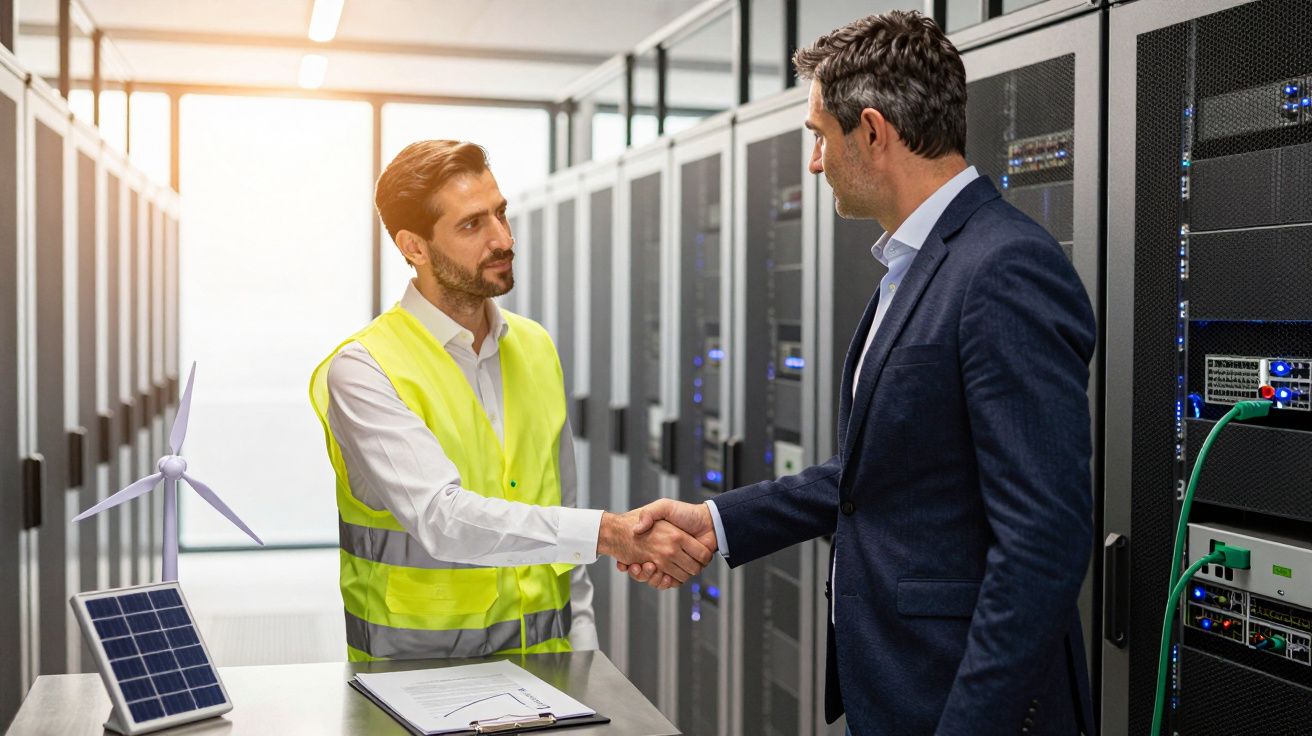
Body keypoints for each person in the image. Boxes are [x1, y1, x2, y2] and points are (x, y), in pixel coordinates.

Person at [622, 11, 1096, 735]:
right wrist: (717, 522)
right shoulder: (915, 265)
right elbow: (874, 476)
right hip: (899, 687)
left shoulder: (1002, 267)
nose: (814, 162)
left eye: (819, 135)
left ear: (872, 131)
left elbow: (1043, 541)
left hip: (964, 702)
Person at [309, 140, 711, 662]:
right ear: (414, 247)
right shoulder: (364, 369)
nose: (502, 239)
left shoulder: (535, 346)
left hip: (547, 675)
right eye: (472, 225)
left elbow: (564, 515)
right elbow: (441, 519)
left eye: (500, 213)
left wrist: (584, 658)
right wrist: (612, 534)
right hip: (415, 685)